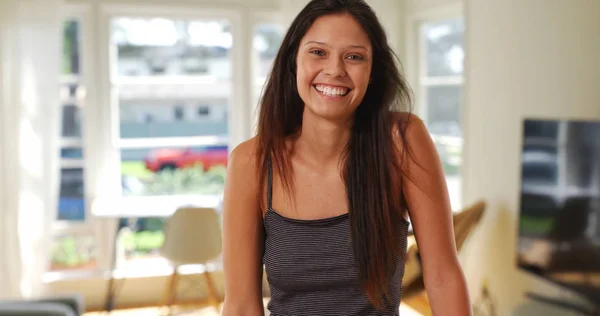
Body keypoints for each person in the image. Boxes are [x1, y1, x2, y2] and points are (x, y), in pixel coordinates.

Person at [221, 0, 471, 315]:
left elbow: (443, 277)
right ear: (293, 62)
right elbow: (241, 305)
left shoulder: (402, 141)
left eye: (354, 57)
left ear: (372, 72)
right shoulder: (251, 162)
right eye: (318, 52)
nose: (335, 70)